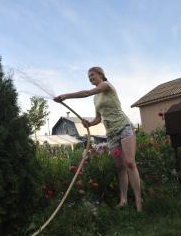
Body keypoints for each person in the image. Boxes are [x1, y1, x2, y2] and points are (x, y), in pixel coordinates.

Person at [54, 67, 142, 212]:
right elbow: (98, 118)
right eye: (89, 77)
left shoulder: (107, 86)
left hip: (123, 127)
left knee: (130, 163)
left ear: (101, 75)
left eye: (92, 75)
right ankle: (124, 200)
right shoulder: (96, 99)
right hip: (111, 133)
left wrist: (65, 96)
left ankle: (139, 201)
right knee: (120, 168)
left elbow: (86, 93)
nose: (90, 78)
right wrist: (89, 124)